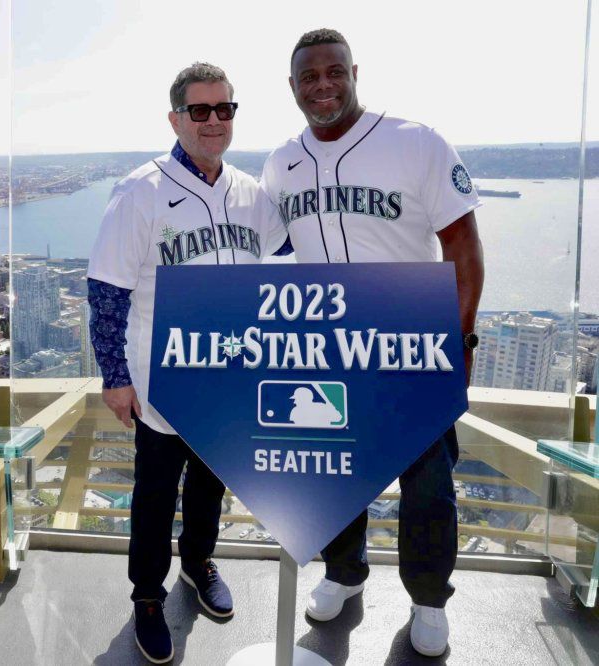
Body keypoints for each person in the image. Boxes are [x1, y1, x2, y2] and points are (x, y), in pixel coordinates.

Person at [260, 28, 485, 658]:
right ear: (293, 87)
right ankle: (344, 573)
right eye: (310, 76)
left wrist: (459, 342)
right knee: (335, 476)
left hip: (410, 347)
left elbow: (463, 249)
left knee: (429, 486)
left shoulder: (416, 142)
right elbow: (259, 247)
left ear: (355, 72)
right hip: (325, 349)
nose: (323, 85)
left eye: (334, 72)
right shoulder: (282, 162)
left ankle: (429, 598)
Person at [87, 62, 290, 664]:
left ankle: (199, 561)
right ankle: (147, 597)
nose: (213, 121)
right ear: (175, 118)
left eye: (224, 109)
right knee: (154, 492)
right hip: (161, 378)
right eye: (199, 110)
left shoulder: (251, 192)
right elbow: (106, 291)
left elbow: (293, 250)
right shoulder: (140, 190)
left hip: (230, 373)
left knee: (211, 482)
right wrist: (115, 376)